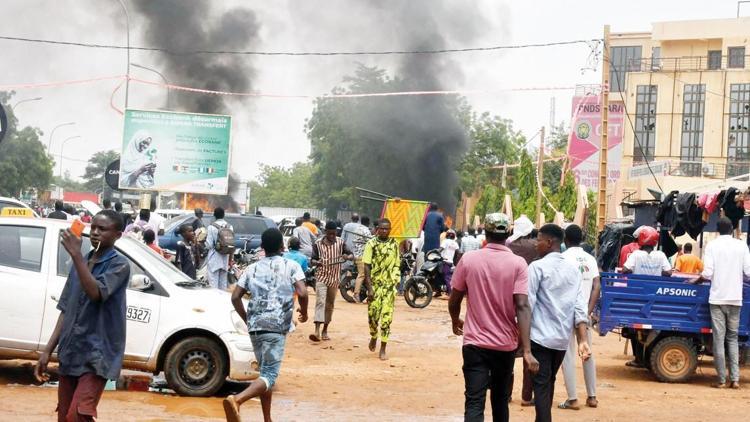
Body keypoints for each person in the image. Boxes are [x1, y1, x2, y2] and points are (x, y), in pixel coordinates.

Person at [34, 210, 130, 422]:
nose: (95, 233)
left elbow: (96, 293)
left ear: (118, 235)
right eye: (93, 227)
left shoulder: (119, 265)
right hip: (72, 351)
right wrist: (47, 351)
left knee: (77, 416)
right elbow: (66, 309)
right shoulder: (82, 261)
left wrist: (76, 256)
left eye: (102, 229)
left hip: (97, 356)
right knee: (64, 416)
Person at [448, 213, 536, 421]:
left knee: (474, 401)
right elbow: (522, 306)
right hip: (504, 346)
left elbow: (454, 299)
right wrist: (527, 349)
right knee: (500, 401)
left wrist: (455, 320)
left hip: (474, 344)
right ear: (508, 234)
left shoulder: (468, 260)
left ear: (485, 233)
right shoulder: (518, 264)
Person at [223, 228, 309, 422]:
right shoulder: (292, 265)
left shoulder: (251, 268)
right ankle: (237, 400)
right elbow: (303, 293)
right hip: (276, 327)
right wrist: (304, 311)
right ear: (282, 246)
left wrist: (247, 319)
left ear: (262, 247)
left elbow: (235, 296)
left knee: (265, 375)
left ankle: (267, 419)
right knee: (270, 375)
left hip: (255, 328)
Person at [528, 223, 591, 422]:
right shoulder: (573, 270)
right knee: (549, 381)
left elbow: (527, 304)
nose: (535, 245)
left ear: (549, 242)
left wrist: (521, 337)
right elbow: (579, 307)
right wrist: (582, 340)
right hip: (562, 341)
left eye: (538, 241)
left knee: (541, 385)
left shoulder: (536, 267)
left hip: (540, 338)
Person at [690, 217, 750, 389]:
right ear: (732, 229)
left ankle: (722, 380)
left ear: (717, 230)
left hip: (717, 298)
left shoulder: (712, 246)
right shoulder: (741, 245)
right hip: (735, 299)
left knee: (719, 339)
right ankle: (736, 379)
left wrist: (697, 280)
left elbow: (707, 273)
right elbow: (748, 272)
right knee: (732, 339)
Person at [559, 224, 600, 410]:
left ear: (565, 239)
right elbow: (596, 286)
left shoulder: (562, 258)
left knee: (567, 355)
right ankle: (592, 397)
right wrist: (588, 311)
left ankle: (573, 398)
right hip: (584, 313)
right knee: (587, 354)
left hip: (566, 312)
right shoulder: (590, 258)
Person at [363, 218, 401, 361]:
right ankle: (373, 335)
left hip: (389, 287)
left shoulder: (394, 244)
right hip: (375, 285)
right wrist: (370, 288)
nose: (384, 231)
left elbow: (397, 263)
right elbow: (366, 266)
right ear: (377, 229)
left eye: (387, 229)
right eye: (382, 228)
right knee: (373, 316)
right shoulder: (371, 244)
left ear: (390, 230)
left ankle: (383, 347)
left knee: (386, 318)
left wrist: (396, 280)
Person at [309, 221, 353, 342]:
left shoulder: (340, 242)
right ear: (325, 232)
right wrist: (316, 262)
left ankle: (325, 330)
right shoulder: (317, 244)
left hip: (334, 279)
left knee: (330, 305)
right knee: (320, 302)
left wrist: (347, 257)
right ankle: (316, 330)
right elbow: (312, 259)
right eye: (330, 234)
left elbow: (351, 255)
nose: (332, 236)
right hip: (321, 277)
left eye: (334, 234)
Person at [206, 207, 234, 290]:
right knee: (223, 285)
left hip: (214, 258)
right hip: (225, 258)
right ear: (223, 215)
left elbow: (209, 245)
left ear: (214, 215)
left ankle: (214, 302)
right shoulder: (230, 226)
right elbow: (231, 244)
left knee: (213, 284)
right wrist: (230, 260)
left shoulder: (211, 227)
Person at [350, 216, 374, 303]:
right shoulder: (366, 230)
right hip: (362, 255)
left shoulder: (357, 229)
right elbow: (371, 241)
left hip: (356, 254)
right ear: (368, 222)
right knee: (362, 274)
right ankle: (356, 294)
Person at [439, 230, 459, 295]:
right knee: (447, 276)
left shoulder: (445, 241)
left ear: (447, 235)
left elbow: (441, 249)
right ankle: (445, 291)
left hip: (445, 261)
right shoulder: (455, 243)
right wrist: (455, 262)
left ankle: (450, 293)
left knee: (447, 278)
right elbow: (457, 253)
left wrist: (435, 251)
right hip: (450, 262)